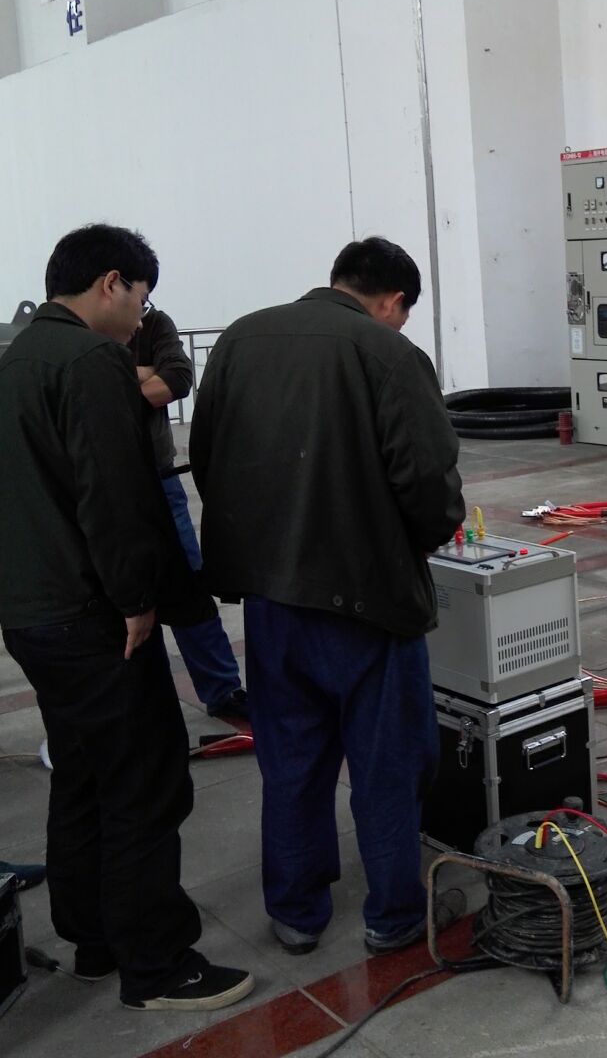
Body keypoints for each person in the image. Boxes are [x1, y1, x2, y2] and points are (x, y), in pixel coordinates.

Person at [0, 224, 253, 1011]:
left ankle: (94, 940)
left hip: (32, 614)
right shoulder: (90, 362)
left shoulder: (16, 359)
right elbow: (113, 497)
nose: (142, 315)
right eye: (140, 297)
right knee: (144, 780)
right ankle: (159, 966)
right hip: (92, 614)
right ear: (111, 282)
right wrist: (138, 600)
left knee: (82, 772)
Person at [190, 237, 465, 957]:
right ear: (393, 301)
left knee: (291, 760)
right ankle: (393, 914)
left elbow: (208, 459)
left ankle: (296, 911)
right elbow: (428, 483)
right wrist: (421, 538)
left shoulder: (240, 341)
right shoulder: (389, 353)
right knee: (387, 763)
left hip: (272, 601)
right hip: (368, 604)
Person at [130, 306, 248, 721]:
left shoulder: (154, 323)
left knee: (189, 586)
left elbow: (177, 380)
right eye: (136, 297)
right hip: (101, 485)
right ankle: (133, 700)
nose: (140, 315)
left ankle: (222, 688)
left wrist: (112, 386)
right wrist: (143, 374)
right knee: (115, 595)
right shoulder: (78, 338)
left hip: (160, 480)